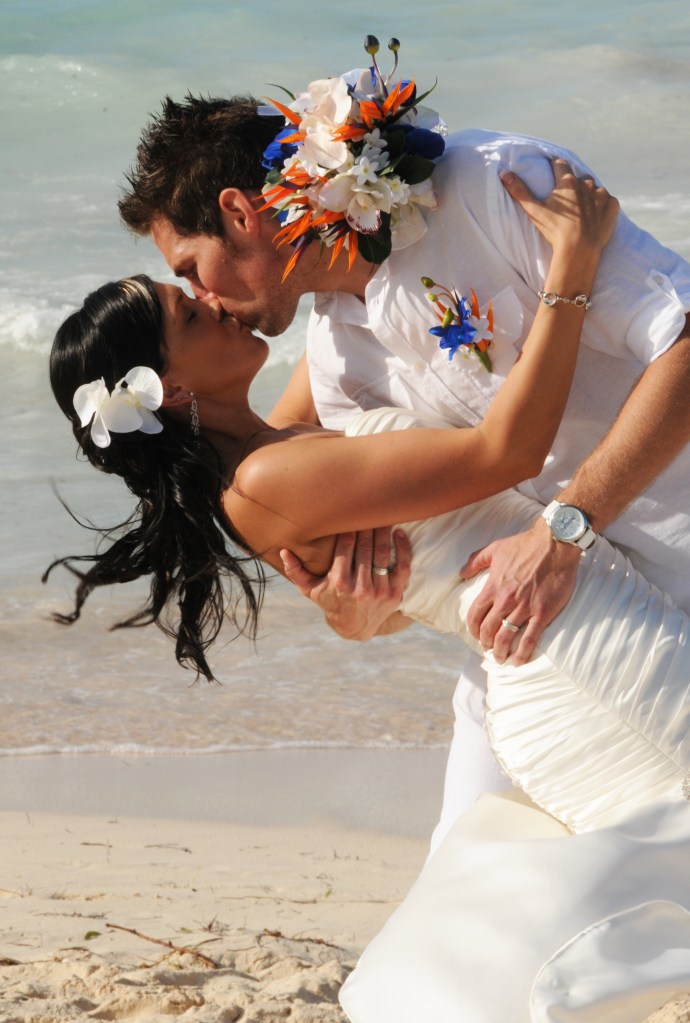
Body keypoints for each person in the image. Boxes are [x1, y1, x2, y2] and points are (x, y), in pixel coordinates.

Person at [117, 54, 690, 850]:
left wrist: (567, 527)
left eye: (189, 269)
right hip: (537, 629)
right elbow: (413, 558)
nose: (204, 298)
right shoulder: (339, 367)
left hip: (644, 573)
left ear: (240, 212)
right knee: (474, 882)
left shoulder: (498, 188)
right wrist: (357, 611)